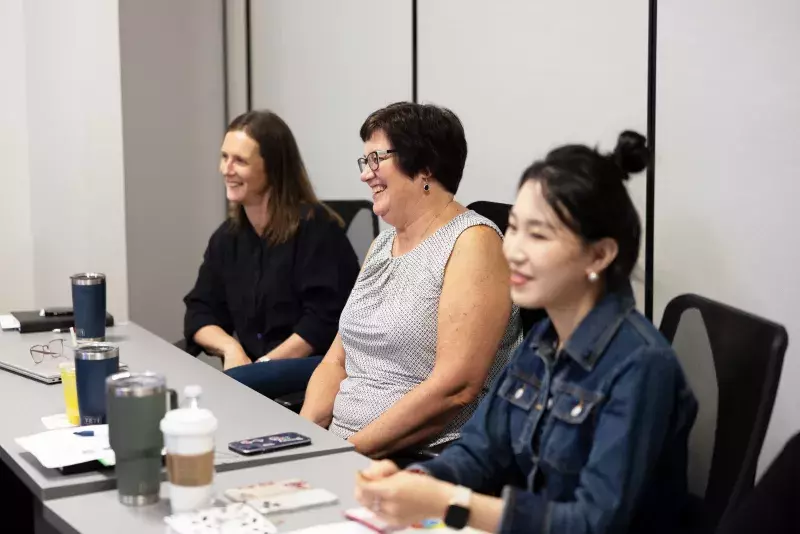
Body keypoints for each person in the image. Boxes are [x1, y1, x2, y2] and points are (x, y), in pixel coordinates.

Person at [354, 131, 698, 534]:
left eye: (538, 235)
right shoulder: (543, 340)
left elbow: (591, 523)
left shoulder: (640, 365)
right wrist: (417, 482)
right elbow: (482, 452)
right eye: (514, 228)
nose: (512, 249)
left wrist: (452, 503)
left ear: (599, 254)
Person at [300, 102, 522, 458]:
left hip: (415, 458)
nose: (365, 175)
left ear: (424, 168)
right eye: (364, 162)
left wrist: (344, 453)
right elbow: (335, 361)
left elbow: (456, 387)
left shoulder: (473, 242)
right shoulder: (382, 244)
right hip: (343, 449)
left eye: (376, 160)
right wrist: (305, 441)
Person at [183, 110, 360, 399]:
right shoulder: (227, 238)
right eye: (224, 157)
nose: (226, 169)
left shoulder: (318, 230)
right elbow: (200, 311)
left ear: (273, 168)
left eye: (240, 160)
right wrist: (231, 349)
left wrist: (262, 369)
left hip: (311, 383)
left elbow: (322, 321)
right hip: (253, 382)